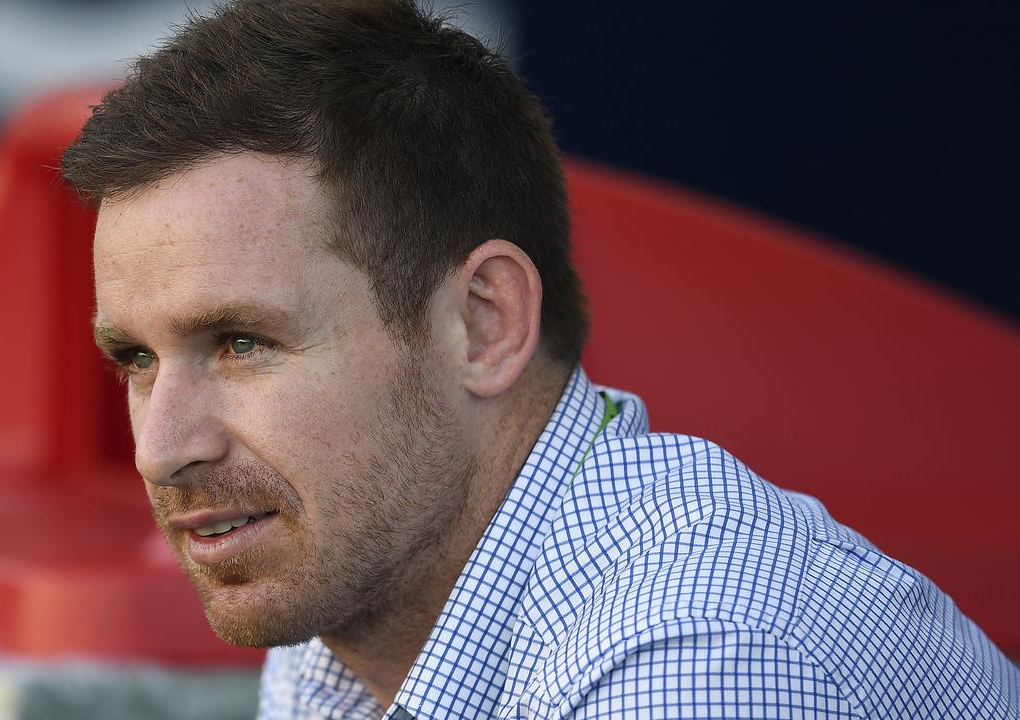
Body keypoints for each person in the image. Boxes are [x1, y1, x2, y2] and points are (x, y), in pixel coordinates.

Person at [61, 1, 1020, 717]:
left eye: (240, 342)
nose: (160, 448)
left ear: (484, 323)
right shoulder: (341, 619)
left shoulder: (695, 662)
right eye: (136, 358)